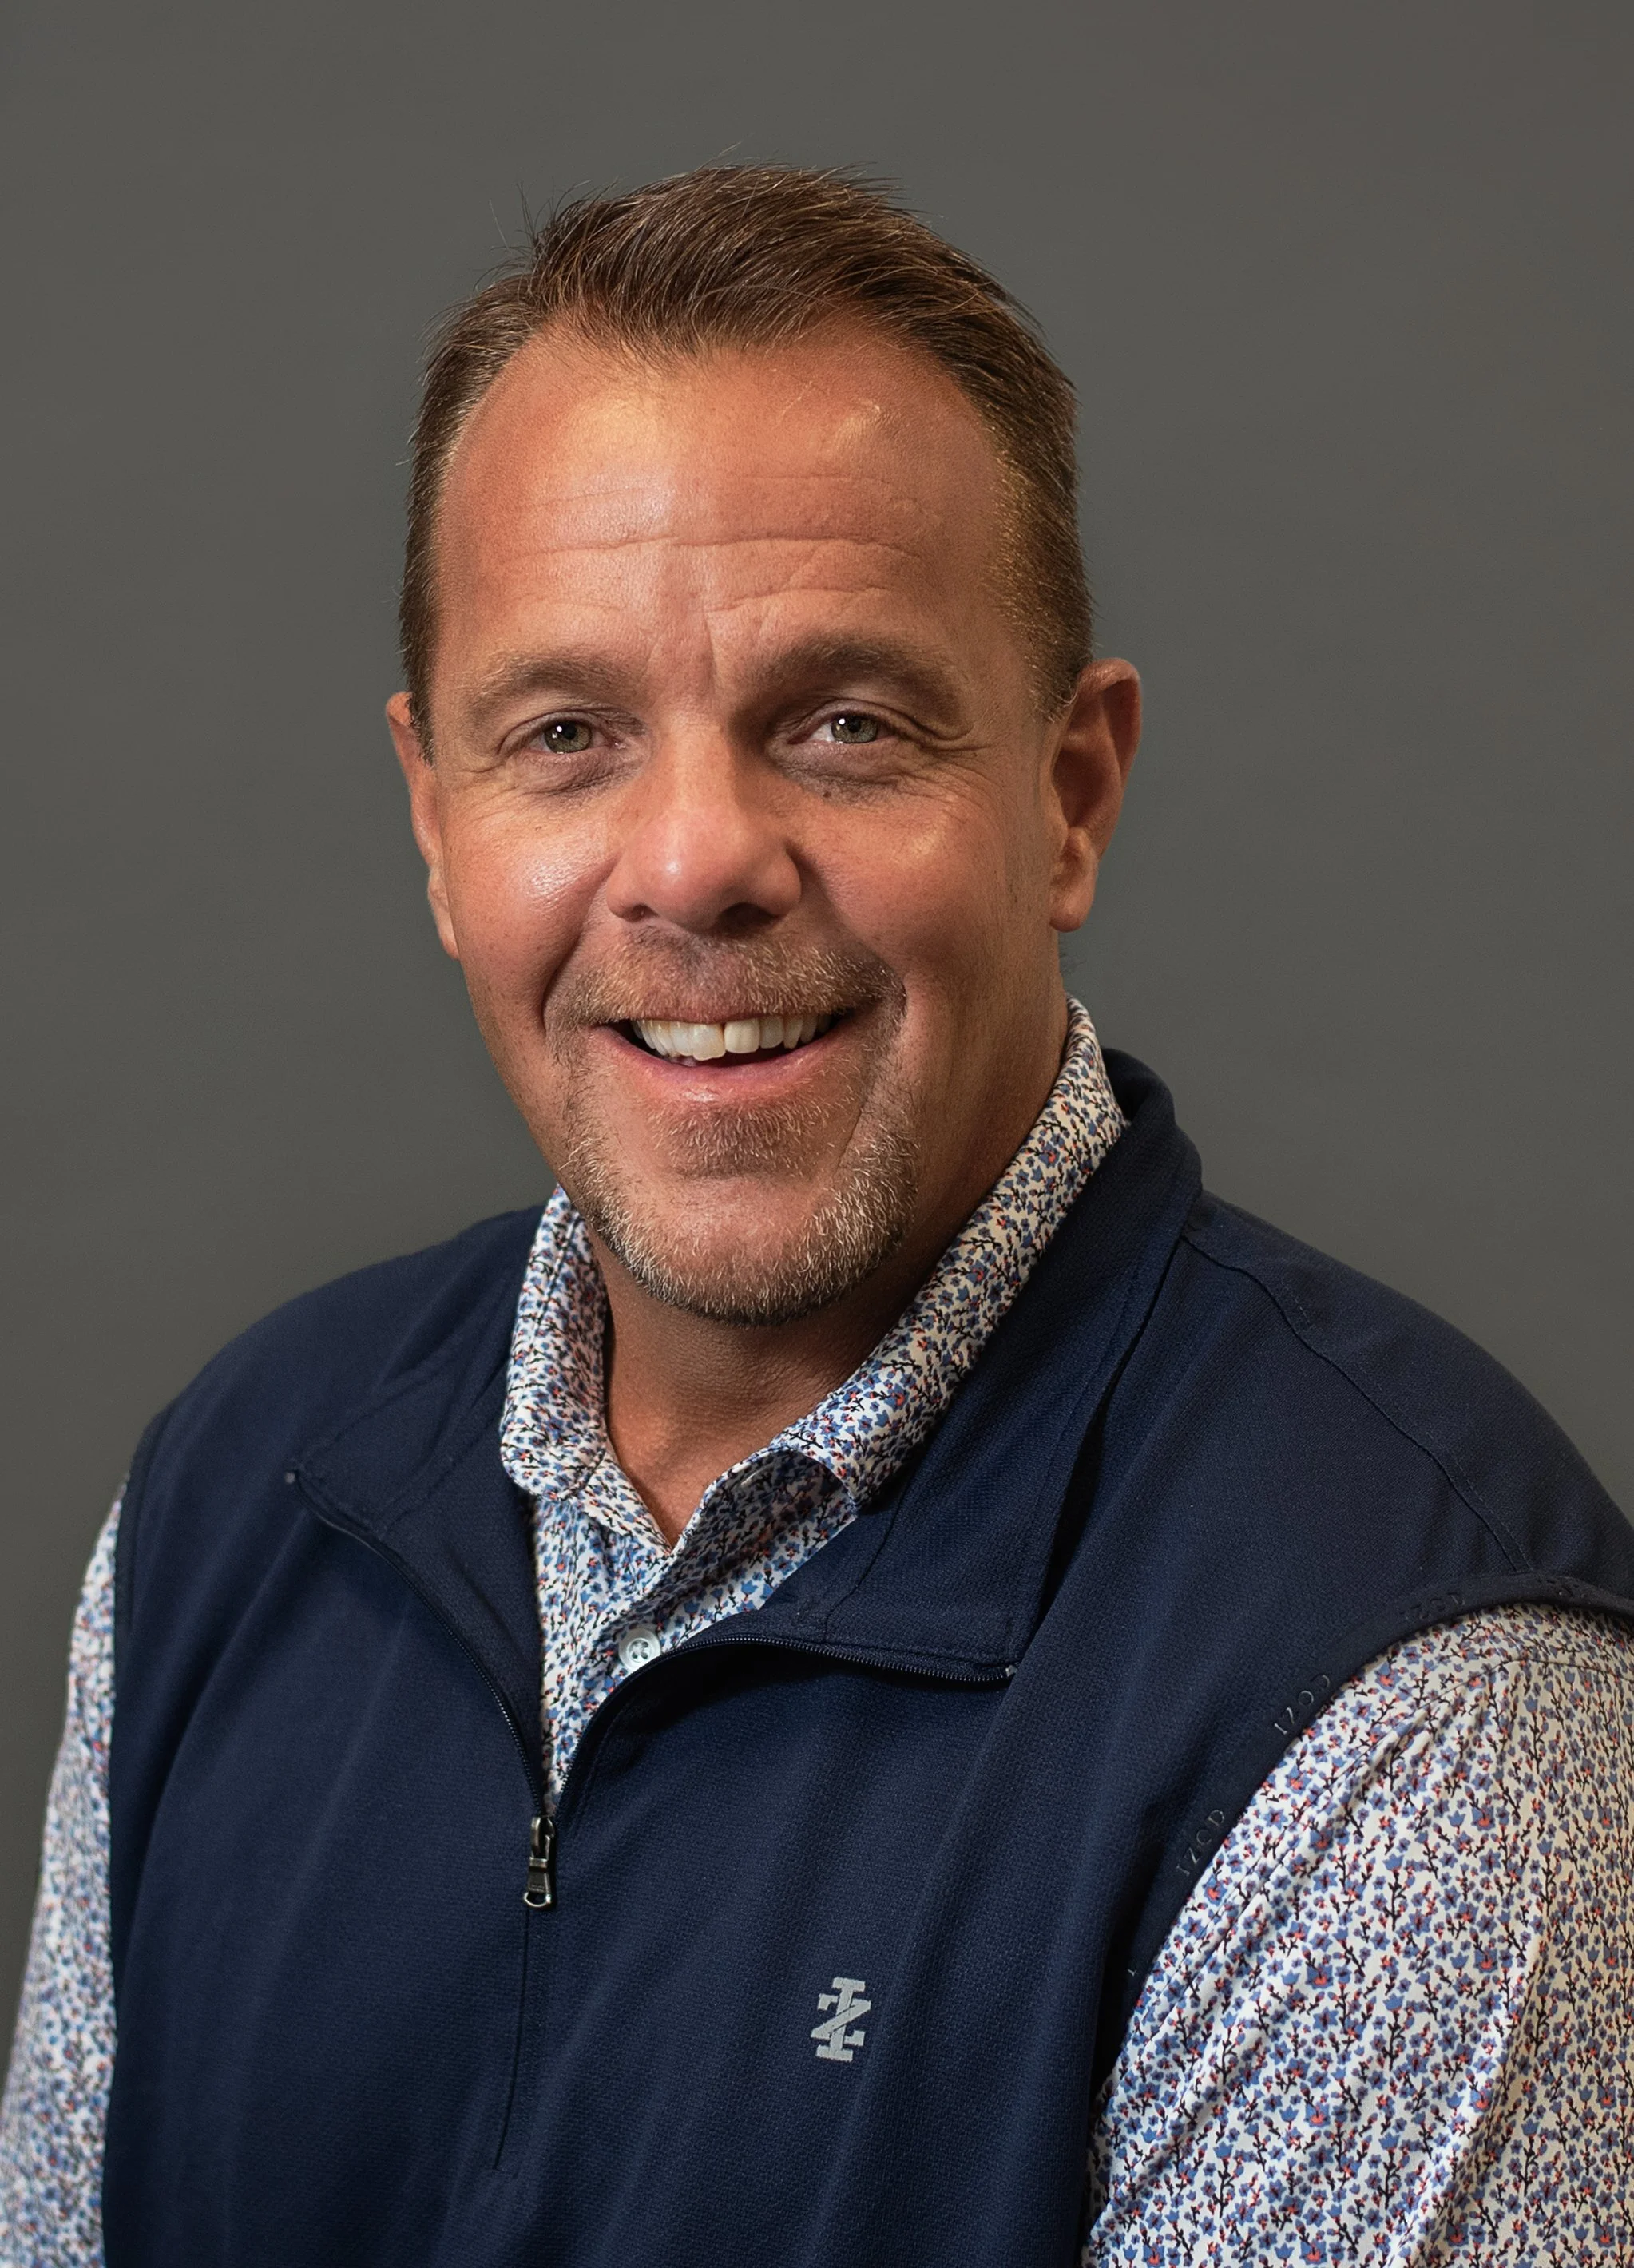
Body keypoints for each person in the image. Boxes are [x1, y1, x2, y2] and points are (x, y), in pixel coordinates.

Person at [2, 164, 1632, 2268]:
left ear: (1069, 794)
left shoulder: (1407, 1721)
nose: (691, 864)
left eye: (844, 726)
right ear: (434, 817)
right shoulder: (234, 1496)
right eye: (566, 734)